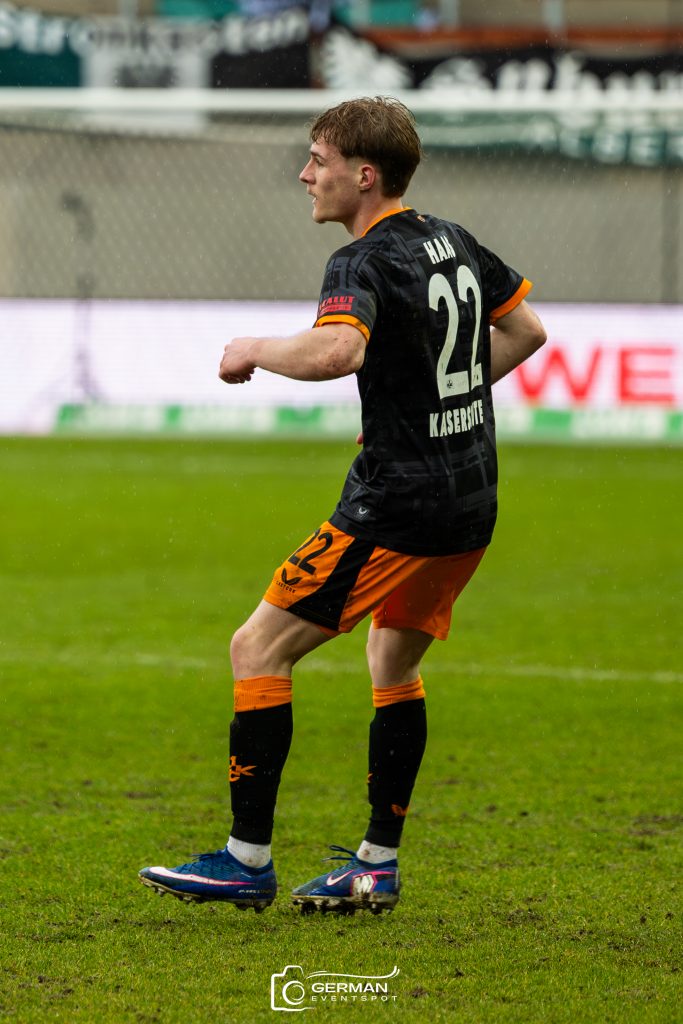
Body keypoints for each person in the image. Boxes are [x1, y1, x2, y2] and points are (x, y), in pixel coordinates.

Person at [139, 96, 546, 915]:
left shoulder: (359, 261)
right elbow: (526, 331)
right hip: (470, 500)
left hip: (398, 505)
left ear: (363, 175)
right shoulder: (453, 239)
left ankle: (245, 860)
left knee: (257, 647)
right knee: (392, 664)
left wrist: (253, 350)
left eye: (317, 160)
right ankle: (375, 865)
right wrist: (434, 403)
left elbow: (337, 350)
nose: (304, 174)